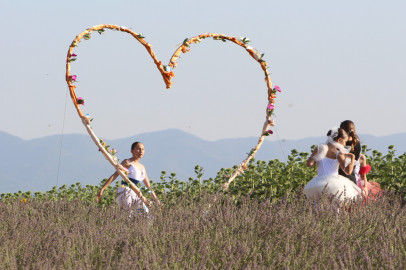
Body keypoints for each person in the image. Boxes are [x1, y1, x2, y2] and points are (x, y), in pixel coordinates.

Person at [96, 142, 161, 212]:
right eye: (138, 149)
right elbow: (114, 175)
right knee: (128, 213)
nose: (141, 151)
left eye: (142, 149)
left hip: (136, 192)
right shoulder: (127, 162)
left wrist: (156, 200)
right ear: (132, 151)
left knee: (145, 213)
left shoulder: (142, 167)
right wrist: (103, 188)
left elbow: (148, 187)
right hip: (125, 190)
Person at [304, 127, 362, 202]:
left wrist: (316, 157)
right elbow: (348, 172)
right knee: (335, 205)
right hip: (334, 183)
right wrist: (352, 157)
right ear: (339, 140)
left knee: (318, 205)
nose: (345, 144)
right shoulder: (339, 153)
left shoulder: (320, 148)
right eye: (345, 141)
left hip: (319, 182)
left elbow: (309, 164)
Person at [339, 120, 382, 198]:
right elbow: (363, 176)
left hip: (342, 180)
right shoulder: (359, 154)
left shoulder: (340, 152)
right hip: (353, 181)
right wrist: (365, 187)